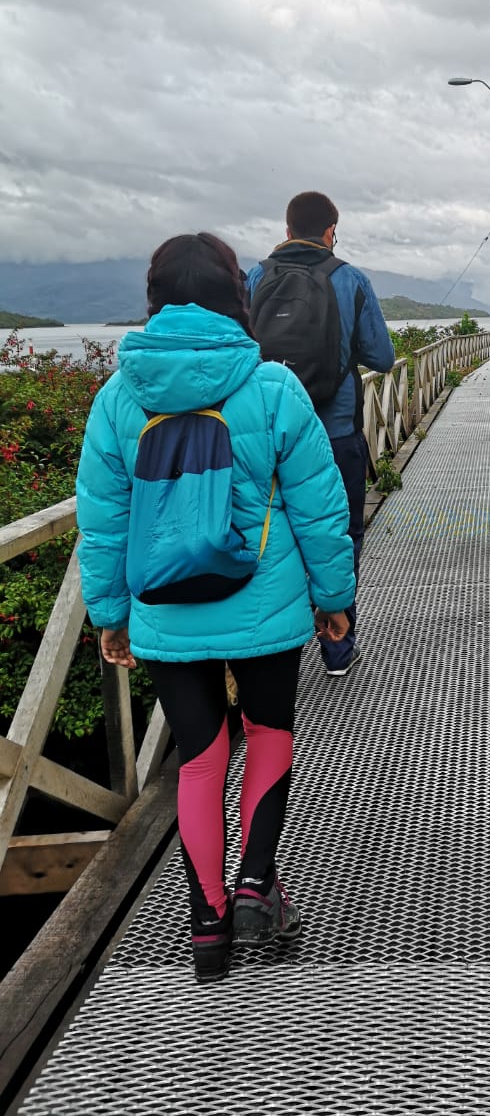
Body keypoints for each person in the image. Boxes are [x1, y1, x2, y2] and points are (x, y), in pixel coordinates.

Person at [75, 232, 356, 984]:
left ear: (154, 297)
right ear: (238, 293)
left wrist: (110, 613)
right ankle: (258, 880)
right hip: (262, 602)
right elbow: (319, 507)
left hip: (164, 610)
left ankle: (207, 922)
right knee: (268, 734)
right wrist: (335, 599)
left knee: (199, 757)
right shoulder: (271, 387)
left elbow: (100, 520)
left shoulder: (115, 400)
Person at [246, 192, 395, 676]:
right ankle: (337, 646)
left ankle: (274, 653)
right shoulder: (350, 279)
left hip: (265, 435)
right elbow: (383, 358)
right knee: (341, 533)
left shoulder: (255, 278)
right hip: (334, 433)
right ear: (333, 230)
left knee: (268, 534)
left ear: (286, 231)